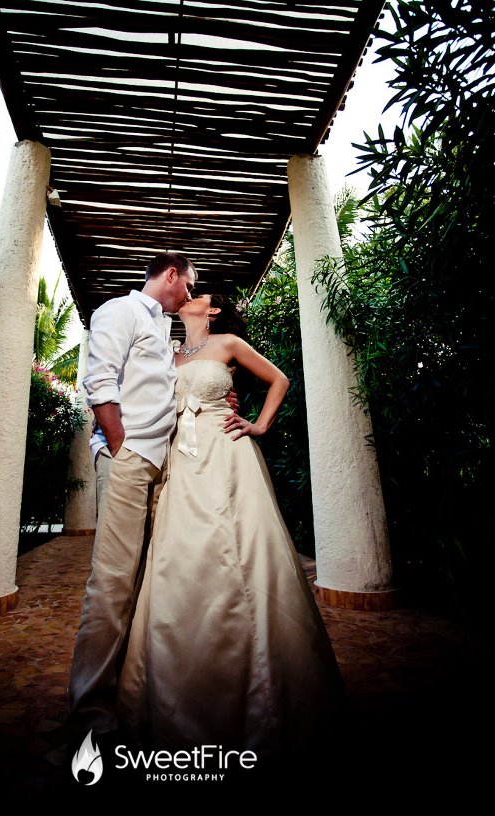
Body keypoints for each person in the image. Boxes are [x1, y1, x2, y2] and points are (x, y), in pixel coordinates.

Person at [116, 292, 345, 757]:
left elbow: (279, 379)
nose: (185, 297)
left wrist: (258, 424)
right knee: (180, 558)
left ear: (213, 309)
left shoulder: (228, 344)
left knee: (238, 550)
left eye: (196, 295)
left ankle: (265, 687)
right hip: (180, 463)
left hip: (226, 454)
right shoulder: (171, 353)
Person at [67, 251, 197, 743]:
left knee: (141, 581)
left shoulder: (163, 330)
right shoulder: (119, 310)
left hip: (159, 466)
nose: (188, 294)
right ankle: (89, 715)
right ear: (170, 276)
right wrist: (121, 446)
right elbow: (98, 381)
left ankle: (123, 694)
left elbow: (167, 391)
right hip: (130, 460)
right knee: (112, 584)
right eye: (188, 285)